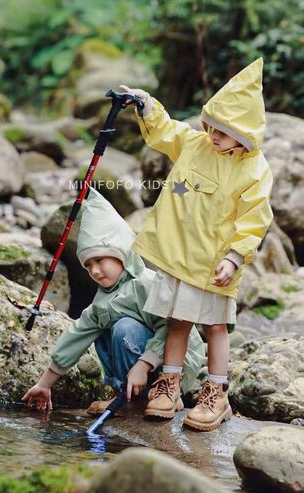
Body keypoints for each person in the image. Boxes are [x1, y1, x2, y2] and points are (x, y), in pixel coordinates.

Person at [120, 57, 273, 431]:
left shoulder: (254, 171)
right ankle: (168, 385)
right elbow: (165, 131)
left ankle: (216, 393)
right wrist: (146, 104)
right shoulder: (196, 144)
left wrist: (235, 258)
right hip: (179, 255)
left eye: (222, 131)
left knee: (215, 327)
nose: (213, 135)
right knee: (178, 321)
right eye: (210, 126)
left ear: (245, 133)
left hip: (214, 262)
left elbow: (255, 219)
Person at [22, 188, 205, 415]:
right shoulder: (102, 301)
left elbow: (171, 329)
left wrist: (143, 364)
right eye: (88, 265)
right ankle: (126, 394)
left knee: (124, 326)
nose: (95, 271)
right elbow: (76, 337)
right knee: (99, 327)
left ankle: (164, 394)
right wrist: (44, 384)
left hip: (175, 367)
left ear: (120, 253)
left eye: (100, 260)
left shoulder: (146, 284)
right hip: (142, 366)